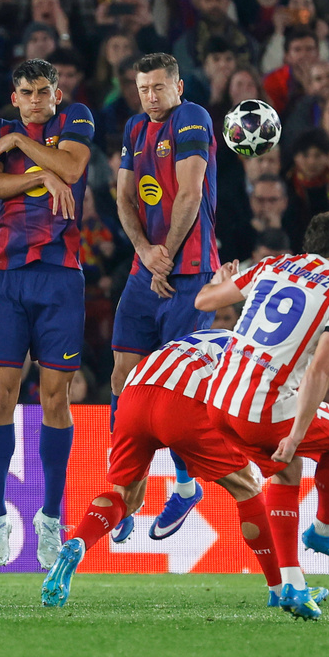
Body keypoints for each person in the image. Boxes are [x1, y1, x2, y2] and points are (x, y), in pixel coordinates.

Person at [41, 327, 301, 611]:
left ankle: (78, 542)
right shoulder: (260, 354)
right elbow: (246, 408)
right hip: (181, 402)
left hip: (133, 395)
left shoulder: (211, 335)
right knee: (247, 488)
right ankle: (280, 588)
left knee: (126, 499)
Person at [198, 210, 329, 620]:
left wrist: (222, 278)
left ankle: (291, 585)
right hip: (263, 409)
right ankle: (326, 531)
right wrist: (294, 436)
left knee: (287, 471)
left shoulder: (273, 265)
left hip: (218, 401)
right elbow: (320, 370)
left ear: (308, 248)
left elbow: (203, 301)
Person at [0, 58, 93, 569]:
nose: (36, 100)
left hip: (61, 275)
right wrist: (41, 174)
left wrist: (22, 147)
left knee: (54, 396)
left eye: (44, 91)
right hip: (6, 274)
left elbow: (72, 168)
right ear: (15, 96)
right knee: (0, 392)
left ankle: (50, 517)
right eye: (27, 92)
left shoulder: (76, 118)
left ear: (57, 95)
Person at [109, 51, 220, 543]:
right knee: (123, 376)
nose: (150, 97)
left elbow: (190, 194)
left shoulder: (192, 117)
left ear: (178, 87)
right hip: (145, 269)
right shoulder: (135, 128)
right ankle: (122, 491)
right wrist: (144, 252)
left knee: (174, 387)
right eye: (143, 89)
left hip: (190, 272)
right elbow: (124, 197)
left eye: (158, 87)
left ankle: (185, 486)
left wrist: (166, 257)